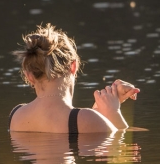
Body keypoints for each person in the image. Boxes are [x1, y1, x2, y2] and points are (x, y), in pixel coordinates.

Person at [9, 23, 139, 133]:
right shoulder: (84, 119)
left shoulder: (16, 115)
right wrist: (113, 112)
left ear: (29, 76)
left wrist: (99, 112)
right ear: (73, 66)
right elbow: (122, 147)